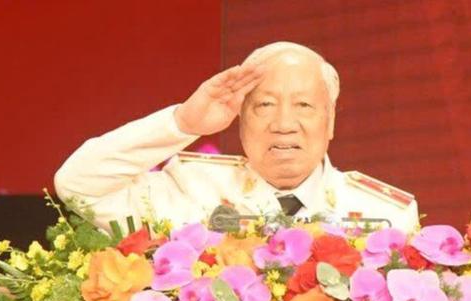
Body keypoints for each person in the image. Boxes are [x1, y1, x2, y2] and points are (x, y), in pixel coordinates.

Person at [53, 42, 419, 233]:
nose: (284, 123)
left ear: (331, 121)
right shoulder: (192, 189)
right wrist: (182, 123)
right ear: (240, 119)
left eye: (304, 105)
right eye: (265, 105)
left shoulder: (386, 214)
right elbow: (77, 186)